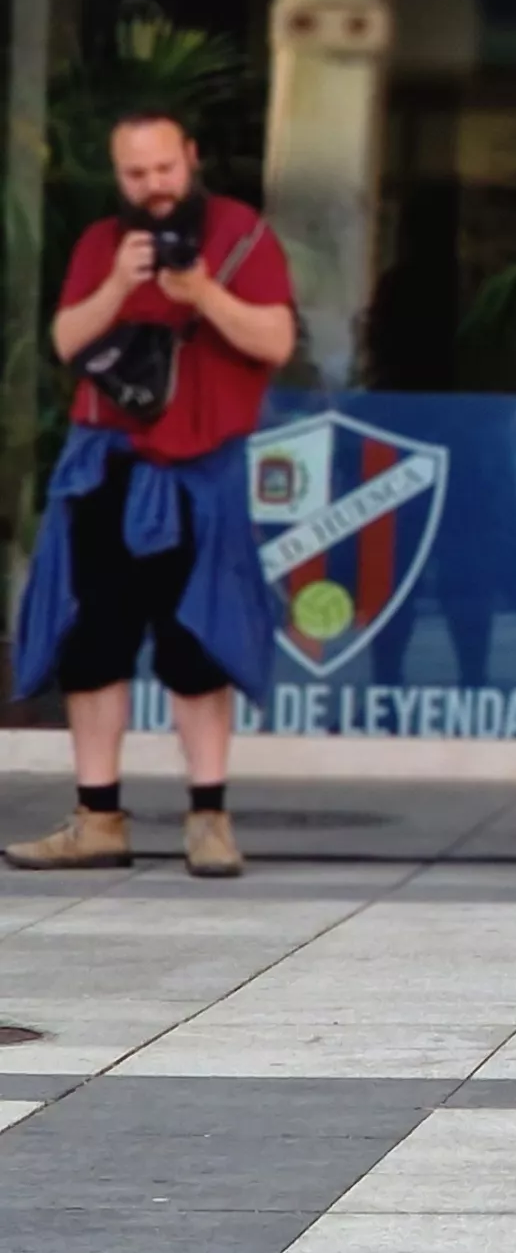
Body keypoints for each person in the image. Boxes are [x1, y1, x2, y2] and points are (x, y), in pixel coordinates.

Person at [5, 114, 297, 878]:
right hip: (107, 463)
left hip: (203, 470)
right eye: (136, 174)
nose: (154, 187)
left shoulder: (241, 235)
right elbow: (67, 342)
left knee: (196, 641)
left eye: (164, 169)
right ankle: (98, 819)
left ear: (191, 158)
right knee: (93, 644)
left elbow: (275, 341)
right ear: (119, 177)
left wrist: (200, 291)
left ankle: (209, 819)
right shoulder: (102, 243)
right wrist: (117, 285)